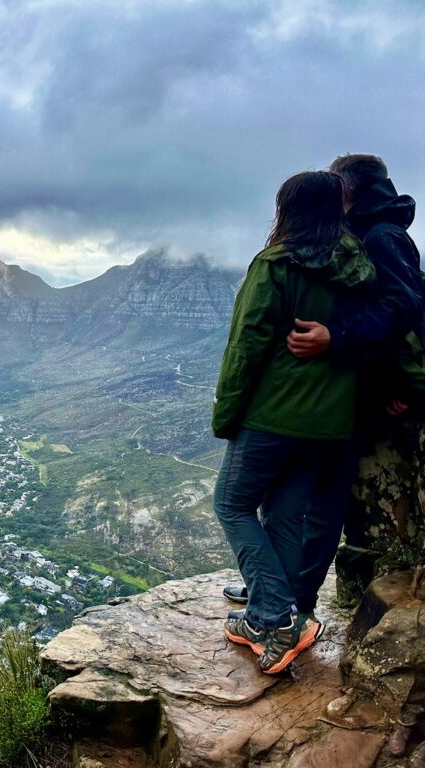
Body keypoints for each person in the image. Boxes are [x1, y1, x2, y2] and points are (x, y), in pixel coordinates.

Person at [223, 155, 425, 607]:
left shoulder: (380, 238)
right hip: (342, 392)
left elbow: (405, 310)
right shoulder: (349, 244)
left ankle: (289, 603)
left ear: (348, 194)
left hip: (348, 395)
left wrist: (346, 344)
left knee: (317, 506)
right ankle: (277, 593)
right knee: (296, 508)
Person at [212, 171, 375, 675]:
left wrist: (227, 413)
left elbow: (247, 345)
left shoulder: (276, 265)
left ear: (287, 210)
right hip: (329, 422)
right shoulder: (360, 269)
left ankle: (274, 616)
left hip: (273, 413)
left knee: (232, 504)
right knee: (284, 516)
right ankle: (278, 618)